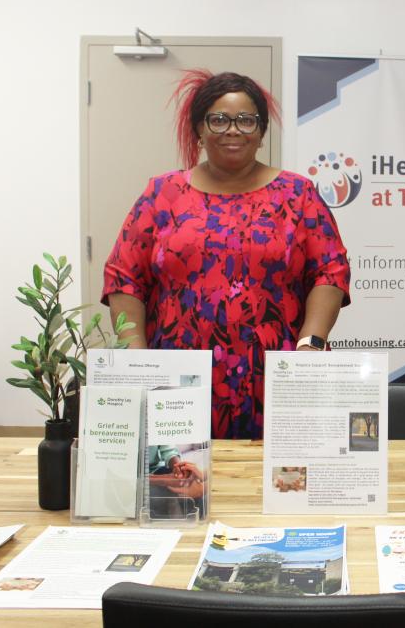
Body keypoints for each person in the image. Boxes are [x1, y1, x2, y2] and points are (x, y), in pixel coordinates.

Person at [102, 69, 351, 439]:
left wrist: (310, 347)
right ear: (199, 129)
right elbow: (125, 278)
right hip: (176, 380)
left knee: (276, 487)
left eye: (246, 120)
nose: (232, 130)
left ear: (262, 131)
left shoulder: (298, 195)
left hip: (277, 375)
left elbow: (329, 272)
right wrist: (138, 361)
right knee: (182, 483)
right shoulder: (162, 194)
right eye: (218, 120)